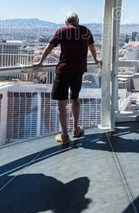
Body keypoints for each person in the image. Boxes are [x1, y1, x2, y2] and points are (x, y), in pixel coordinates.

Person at [34, 12, 101, 143]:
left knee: (62, 102)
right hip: (78, 70)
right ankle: (76, 129)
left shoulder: (62, 30)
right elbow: (92, 47)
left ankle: (64, 135)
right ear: (78, 20)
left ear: (66, 22)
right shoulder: (86, 31)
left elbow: (49, 47)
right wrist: (96, 59)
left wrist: (41, 61)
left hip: (64, 70)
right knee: (75, 98)